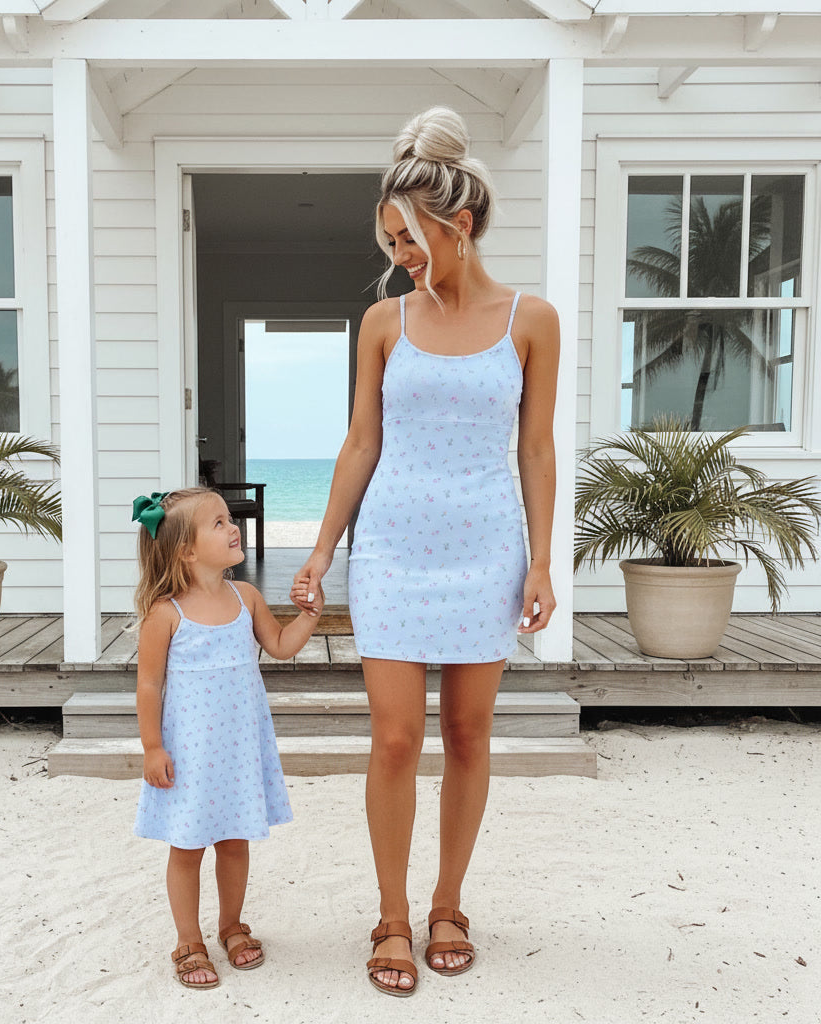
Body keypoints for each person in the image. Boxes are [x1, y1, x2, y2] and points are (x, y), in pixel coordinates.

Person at [291, 106, 559, 996]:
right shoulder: (383, 323)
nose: (400, 253)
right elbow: (361, 442)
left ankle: (449, 905)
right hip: (393, 552)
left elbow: (535, 450)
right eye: (391, 239)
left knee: (469, 734)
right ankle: (392, 916)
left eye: (410, 237)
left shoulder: (532, 320)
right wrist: (322, 549)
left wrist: (541, 562)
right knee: (397, 739)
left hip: (487, 551)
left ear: (461, 225)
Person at [132, 487, 324, 990]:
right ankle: (188, 939)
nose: (232, 526)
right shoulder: (165, 613)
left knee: (235, 841)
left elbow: (279, 645)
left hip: (238, 750)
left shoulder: (246, 598)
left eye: (228, 518)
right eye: (217, 523)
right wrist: (152, 747)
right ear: (186, 551)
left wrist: (309, 616)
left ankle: (231, 925)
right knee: (187, 846)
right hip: (190, 755)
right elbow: (148, 685)